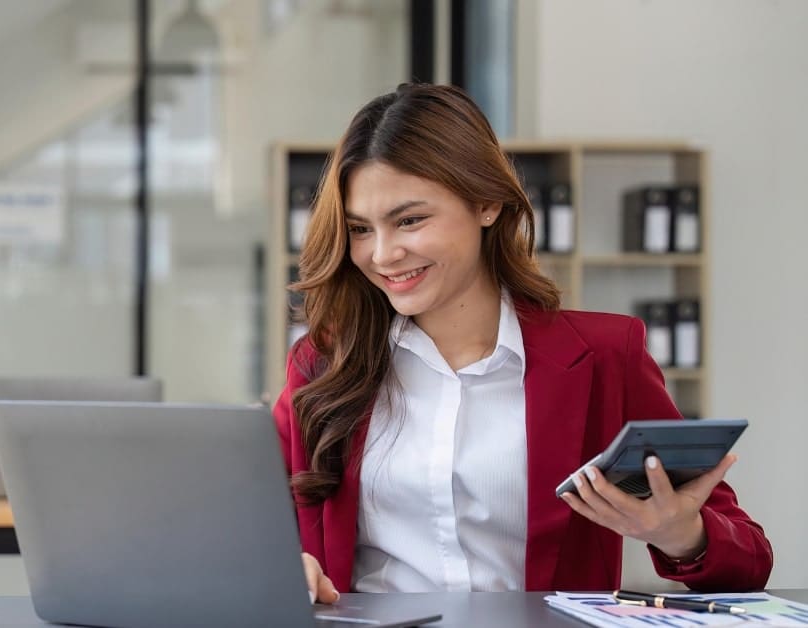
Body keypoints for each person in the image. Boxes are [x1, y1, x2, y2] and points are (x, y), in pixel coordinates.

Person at [273, 83, 772, 603]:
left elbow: (750, 561)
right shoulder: (323, 365)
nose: (383, 253)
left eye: (410, 220)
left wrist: (677, 534)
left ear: (486, 202)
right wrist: (292, 563)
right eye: (359, 228)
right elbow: (263, 526)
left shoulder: (604, 355)